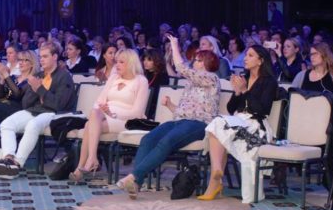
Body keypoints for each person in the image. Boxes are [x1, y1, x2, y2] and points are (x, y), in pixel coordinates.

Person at [115, 37, 221, 199]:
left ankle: (134, 176)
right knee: (148, 139)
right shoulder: (191, 83)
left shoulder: (211, 78)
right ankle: (136, 183)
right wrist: (171, 105)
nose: (194, 62)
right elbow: (184, 110)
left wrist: (174, 46)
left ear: (208, 63)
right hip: (180, 121)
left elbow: (181, 68)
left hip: (199, 124)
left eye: (199, 60)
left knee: (166, 141)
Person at [201, 45, 277, 204]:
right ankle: (216, 172)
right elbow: (231, 108)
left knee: (218, 126)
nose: (245, 58)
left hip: (256, 125)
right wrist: (237, 92)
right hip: (239, 120)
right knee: (216, 125)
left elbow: (263, 109)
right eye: (246, 55)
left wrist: (245, 91)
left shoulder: (269, 81)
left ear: (260, 61)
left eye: (250, 55)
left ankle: (215, 179)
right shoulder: (245, 78)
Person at [0, 43, 76, 177]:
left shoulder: (64, 76)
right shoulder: (38, 75)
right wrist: (36, 89)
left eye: (45, 56)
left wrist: (40, 89)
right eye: (40, 57)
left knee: (33, 124)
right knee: (7, 124)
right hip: (35, 110)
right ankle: (8, 158)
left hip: (54, 114)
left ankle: (17, 163)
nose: (41, 59)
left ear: (55, 57)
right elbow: (26, 103)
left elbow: (58, 105)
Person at [71, 49, 149, 181]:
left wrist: (112, 114)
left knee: (89, 125)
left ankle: (82, 167)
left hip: (127, 120)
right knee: (94, 113)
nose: (117, 65)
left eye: (121, 62)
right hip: (104, 116)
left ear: (131, 63)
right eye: (116, 62)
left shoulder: (141, 81)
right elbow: (99, 101)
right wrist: (104, 111)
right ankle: (91, 160)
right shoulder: (113, 78)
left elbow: (137, 112)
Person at [141, 48, 170, 119]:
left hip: (153, 107)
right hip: (143, 103)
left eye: (149, 60)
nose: (145, 62)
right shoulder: (143, 74)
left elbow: (157, 96)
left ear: (157, 61)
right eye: (144, 59)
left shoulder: (162, 76)